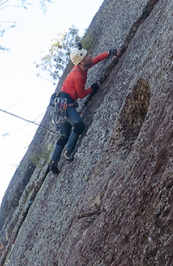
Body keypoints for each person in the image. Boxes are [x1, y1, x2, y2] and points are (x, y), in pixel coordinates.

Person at [47, 46, 123, 175]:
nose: (90, 55)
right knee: (79, 125)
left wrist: (109, 52)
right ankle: (67, 152)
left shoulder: (82, 67)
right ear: (81, 61)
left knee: (64, 135)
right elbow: (81, 94)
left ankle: (53, 162)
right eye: (87, 55)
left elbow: (96, 59)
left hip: (60, 105)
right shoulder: (78, 75)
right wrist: (93, 87)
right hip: (66, 104)